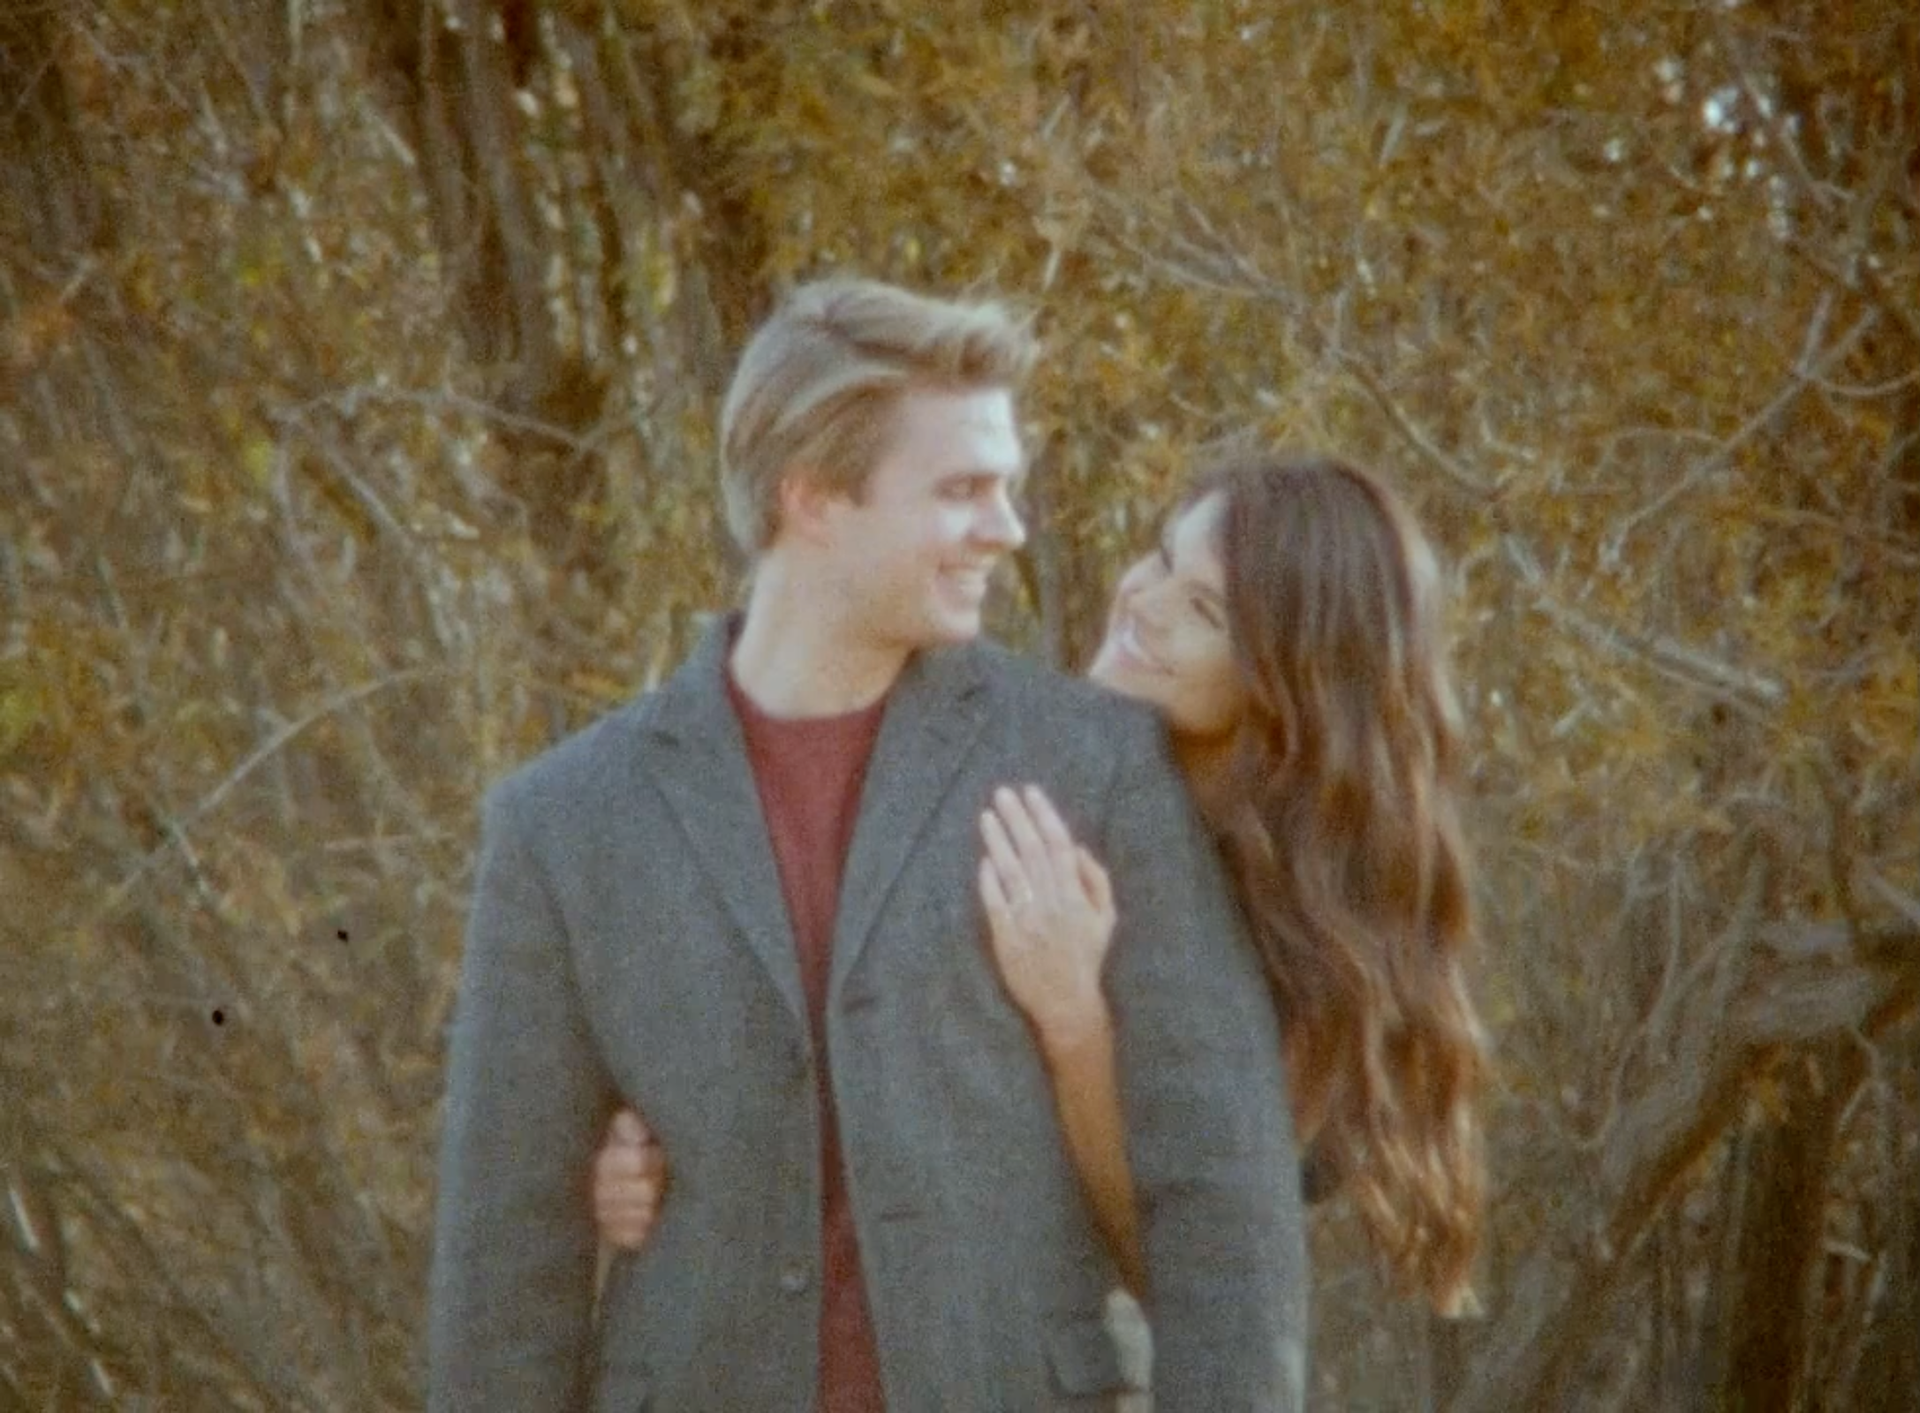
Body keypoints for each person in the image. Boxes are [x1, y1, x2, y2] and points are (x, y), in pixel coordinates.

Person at [425, 277, 1308, 1412]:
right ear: (813, 498)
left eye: (1007, 486)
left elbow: (1226, 1214)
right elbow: (502, 1281)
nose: (1008, 528)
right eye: (962, 489)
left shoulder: (1098, 764)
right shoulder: (564, 822)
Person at [594, 449, 1489, 1321]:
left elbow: (1196, 1273)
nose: (1143, 604)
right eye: (1162, 559)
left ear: (1293, 683)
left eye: (1205, 609)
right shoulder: (1011, 771)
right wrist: (653, 1153)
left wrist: (1074, 1020)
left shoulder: (1309, 942)